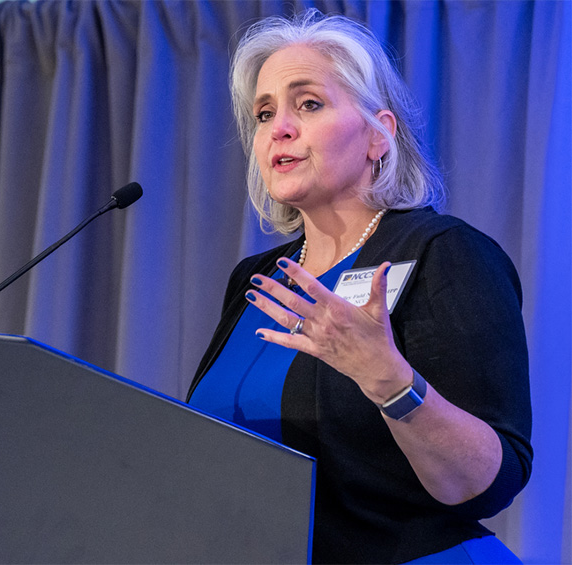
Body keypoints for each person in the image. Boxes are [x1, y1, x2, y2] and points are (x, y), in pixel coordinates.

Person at [187, 9, 532, 564]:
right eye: (265, 113)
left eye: (309, 104)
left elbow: (489, 482)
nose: (279, 127)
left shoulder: (440, 253)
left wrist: (390, 382)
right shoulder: (257, 279)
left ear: (379, 135)